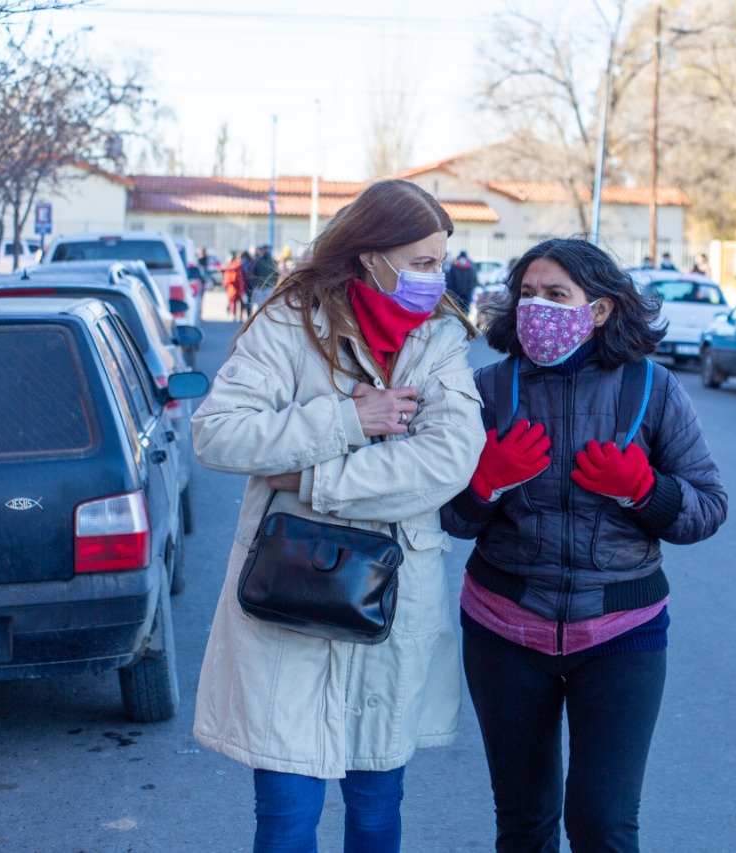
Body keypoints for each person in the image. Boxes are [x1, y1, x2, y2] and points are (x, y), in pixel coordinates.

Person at [190, 179, 486, 853]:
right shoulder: (290, 323)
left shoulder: (439, 338)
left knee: (377, 810)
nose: (435, 277)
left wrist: (315, 480)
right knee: (287, 816)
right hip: (288, 598)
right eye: (420, 262)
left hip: (387, 603)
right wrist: (347, 420)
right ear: (369, 256)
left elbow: (445, 462)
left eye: (440, 261)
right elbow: (217, 433)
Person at [440, 237, 727, 853]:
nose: (536, 308)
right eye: (527, 294)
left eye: (556, 294)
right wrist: (483, 484)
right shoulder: (487, 390)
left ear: (598, 309)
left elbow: (708, 507)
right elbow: (449, 518)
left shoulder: (652, 389)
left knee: (603, 824)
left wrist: (646, 491)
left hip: (622, 631)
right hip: (504, 629)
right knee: (524, 824)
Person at [223, 249, 247, 321]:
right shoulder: (233, 264)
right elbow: (227, 277)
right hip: (233, 287)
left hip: (238, 287)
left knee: (239, 301)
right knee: (234, 301)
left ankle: (240, 316)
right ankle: (235, 315)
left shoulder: (237, 264)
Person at [240, 249, 257, 315]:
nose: (243, 259)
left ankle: (249, 314)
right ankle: (246, 314)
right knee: (246, 300)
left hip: (250, 284)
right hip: (245, 285)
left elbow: (252, 273)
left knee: (249, 300)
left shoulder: (251, 264)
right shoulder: (243, 265)